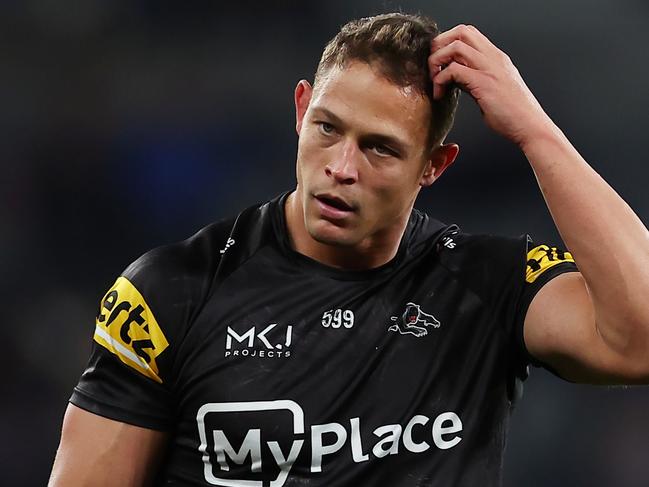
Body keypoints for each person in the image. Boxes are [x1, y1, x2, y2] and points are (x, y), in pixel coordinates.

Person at [48, 12, 649, 487]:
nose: (341, 168)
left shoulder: (488, 284)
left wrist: (533, 128)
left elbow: (639, 339)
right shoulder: (171, 291)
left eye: (380, 149)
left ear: (433, 166)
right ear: (301, 108)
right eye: (328, 128)